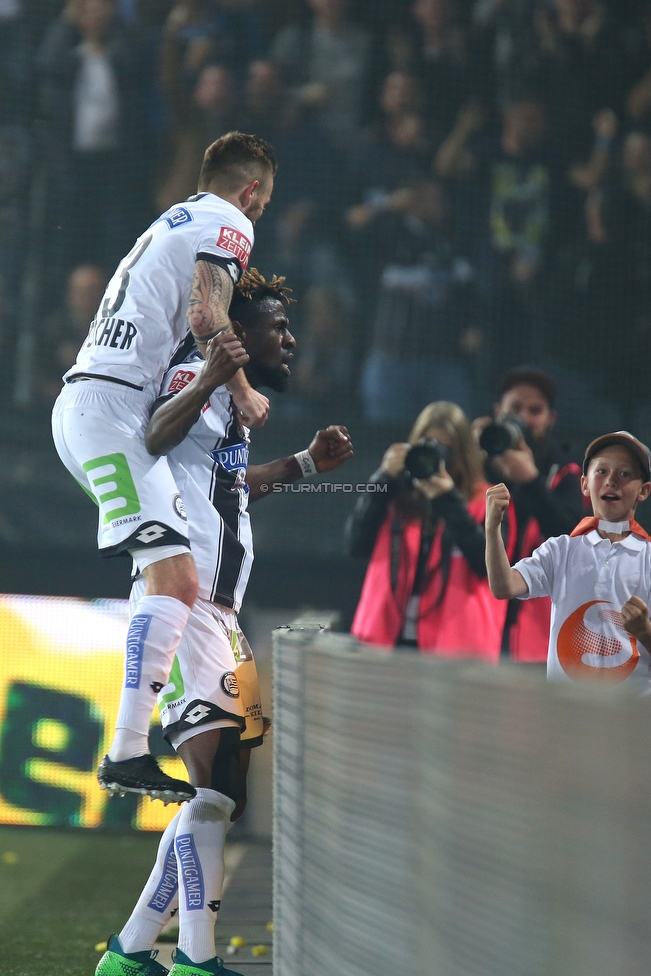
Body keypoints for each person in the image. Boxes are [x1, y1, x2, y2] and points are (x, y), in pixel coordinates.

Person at [95, 269, 353, 976]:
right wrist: (210, 376)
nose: (290, 336)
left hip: (220, 612)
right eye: (276, 325)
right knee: (216, 791)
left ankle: (128, 952)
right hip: (190, 604)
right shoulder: (193, 375)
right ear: (237, 333)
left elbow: (232, 491)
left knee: (225, 795)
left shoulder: (231, 410)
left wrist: (302, 463)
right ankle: (196, 960)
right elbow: (148, 436)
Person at [51, 131, 276, 802]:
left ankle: (127, 749)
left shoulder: (172, 219)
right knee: (175, 581)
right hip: (108, 410)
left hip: (99, 407)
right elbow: (207, 311)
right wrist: (242, 389)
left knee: (168, 577)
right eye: (261, 201)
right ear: (252, 191)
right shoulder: (229, 223)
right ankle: (125, 751)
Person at [346, 401, 514, 659]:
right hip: (385, 645)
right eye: (427, 444)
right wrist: (381, 480)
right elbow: (356, 545)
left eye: (444, 448)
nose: (434, 455)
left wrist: (449, 500)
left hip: (453, 655)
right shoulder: (396, 496)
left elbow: (489, 568)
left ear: (461, 454)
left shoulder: (486, 501)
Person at [486, 431, 651, 686]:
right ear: (584, 484)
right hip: (565, 714)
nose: (611, 481)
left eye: (625, 473)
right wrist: (492, 529)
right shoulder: (560, 550)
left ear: (644, 490)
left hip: (629, 717)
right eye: (601, 472)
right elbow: (504, 585)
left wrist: (644, 631)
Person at [474, 367, 584, 662]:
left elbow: (574, 537)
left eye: (534, 410)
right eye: (515, 408)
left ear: (551, 419)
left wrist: (532, 481)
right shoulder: (478, 463)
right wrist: (468, 456)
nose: (523, 418)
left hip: (536, 632)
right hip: (474, 625)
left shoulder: (564, 470)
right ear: (498, 412)